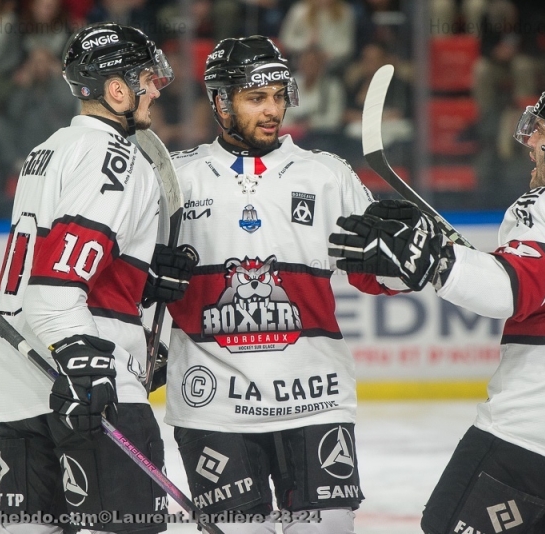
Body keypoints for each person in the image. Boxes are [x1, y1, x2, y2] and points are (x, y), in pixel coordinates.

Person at [329, 81, 545, 532]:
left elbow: (507, 292)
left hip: (544, 434)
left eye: (543, 133)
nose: (532, 142)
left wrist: (433, 259)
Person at [164, 35, 404, 534]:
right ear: (219, 103)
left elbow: (376, 276)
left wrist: (404, 262)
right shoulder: (176, 179)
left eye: (278, 95)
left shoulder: (327, 175)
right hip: (214, 407)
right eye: (256, 98)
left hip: (314, 400)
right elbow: (137, 284)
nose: (273, 110)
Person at [0, 22, 195, 534]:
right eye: (148, 78)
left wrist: (140, 283)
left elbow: (70, 262)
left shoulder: (47, 150)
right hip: (92, 387)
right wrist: (86, 360)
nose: (157, 88)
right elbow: (55, 288)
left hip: (20, 386)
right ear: (117, 90)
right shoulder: (114, 156)